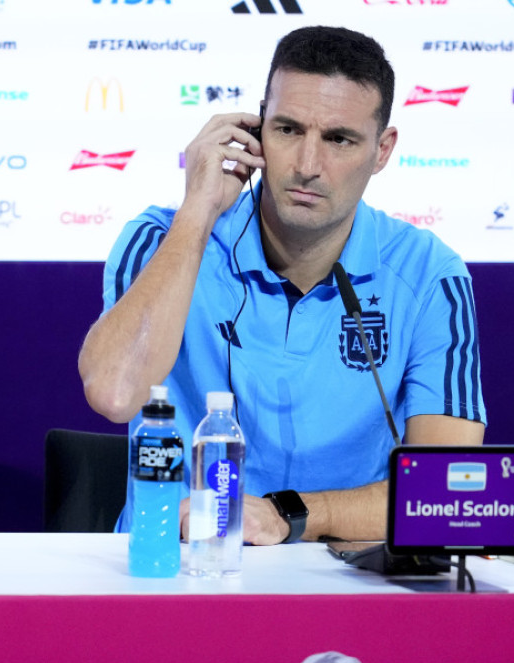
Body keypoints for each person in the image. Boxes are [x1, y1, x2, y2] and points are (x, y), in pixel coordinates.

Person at [78, 26, 485, 545]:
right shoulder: (161, 239)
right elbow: (115, 394)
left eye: (339, 139)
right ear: (255, 132)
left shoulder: (429, 275)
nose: (308, 167)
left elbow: (444, 493)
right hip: (174, 565)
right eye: (288, 130)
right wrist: (198, 213)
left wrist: (289, 514)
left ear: (382, 150)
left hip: (342, 576)